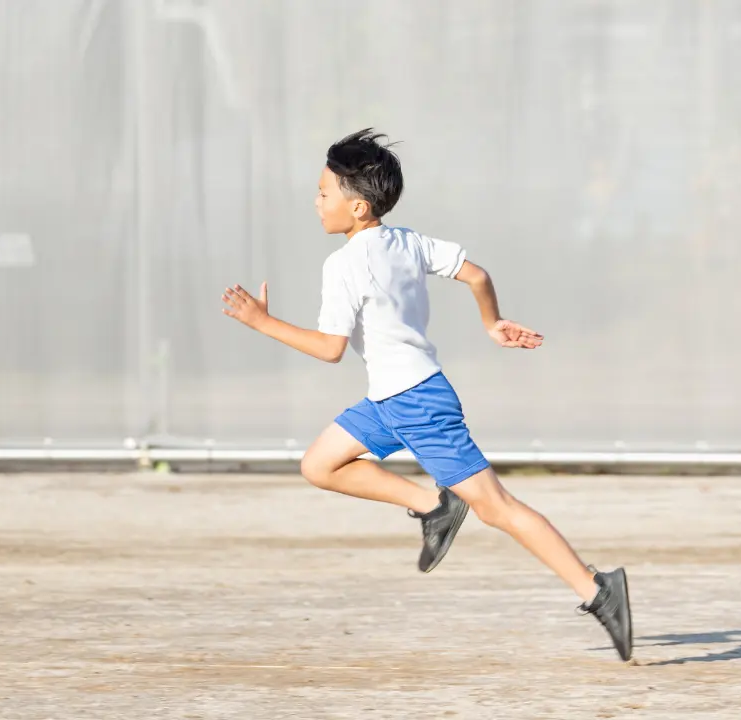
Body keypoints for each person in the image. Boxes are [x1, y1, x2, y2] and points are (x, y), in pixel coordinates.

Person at [220, 128, 632, 661]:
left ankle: (599, 591)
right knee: (320, 464)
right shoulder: (407, 240)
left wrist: (261, 321)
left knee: (499, 508)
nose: (316, 201)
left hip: (416, 402)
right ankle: (435, 505)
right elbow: (477, 275)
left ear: (359, 206)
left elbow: (329, 349)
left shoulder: (343, 264)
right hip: (392, 399)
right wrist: (492, 323)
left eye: (324, 193)